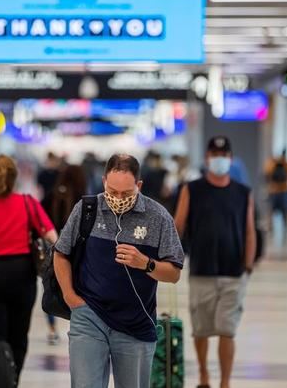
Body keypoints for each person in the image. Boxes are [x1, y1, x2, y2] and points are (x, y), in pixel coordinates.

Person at [53, 154, 184, 388]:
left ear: (139, 186)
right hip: (89, 316)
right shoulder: (87, 209)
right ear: (104, 181)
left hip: (135, 323)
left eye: (126, 193)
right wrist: (70, 297)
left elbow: (174, 273)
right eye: (112, 191)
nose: (118, 198)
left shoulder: (158, 217)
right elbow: (61, 252)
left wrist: (146, 263)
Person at [174, 136, 255, 388]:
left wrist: (248, 265)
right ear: (207, 158)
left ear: (230, 158)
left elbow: (249, 229)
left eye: (223, 154)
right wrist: (172, 256)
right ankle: (204, 375)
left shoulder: (243, 193)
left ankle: (226, 382)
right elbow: (178, 225)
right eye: (214, 154)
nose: (218, 159)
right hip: (201, 269)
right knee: (201, 329)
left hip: (233, 271)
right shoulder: (192, 189)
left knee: (227, 329)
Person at [0, 155, 57, 383]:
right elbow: (52, 236)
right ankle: (13, 378)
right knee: (20, 335)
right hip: (23, 274)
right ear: (14, 178)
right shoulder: (28, 202)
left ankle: (0, 380)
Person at [42, 164, 87, 345]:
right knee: (76, 289)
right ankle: (76, 325)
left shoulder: (51, 196)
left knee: (51, 287)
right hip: (76, 254)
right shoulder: (84, 200)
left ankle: (52, 329)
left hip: (52, 250)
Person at [265, 149, 287, 229]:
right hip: (275, 191)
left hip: (282, 191)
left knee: (285, 213)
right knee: (271, 212)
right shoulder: (273, 164)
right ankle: (270, 227)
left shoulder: (284, 164)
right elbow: (267, 174)